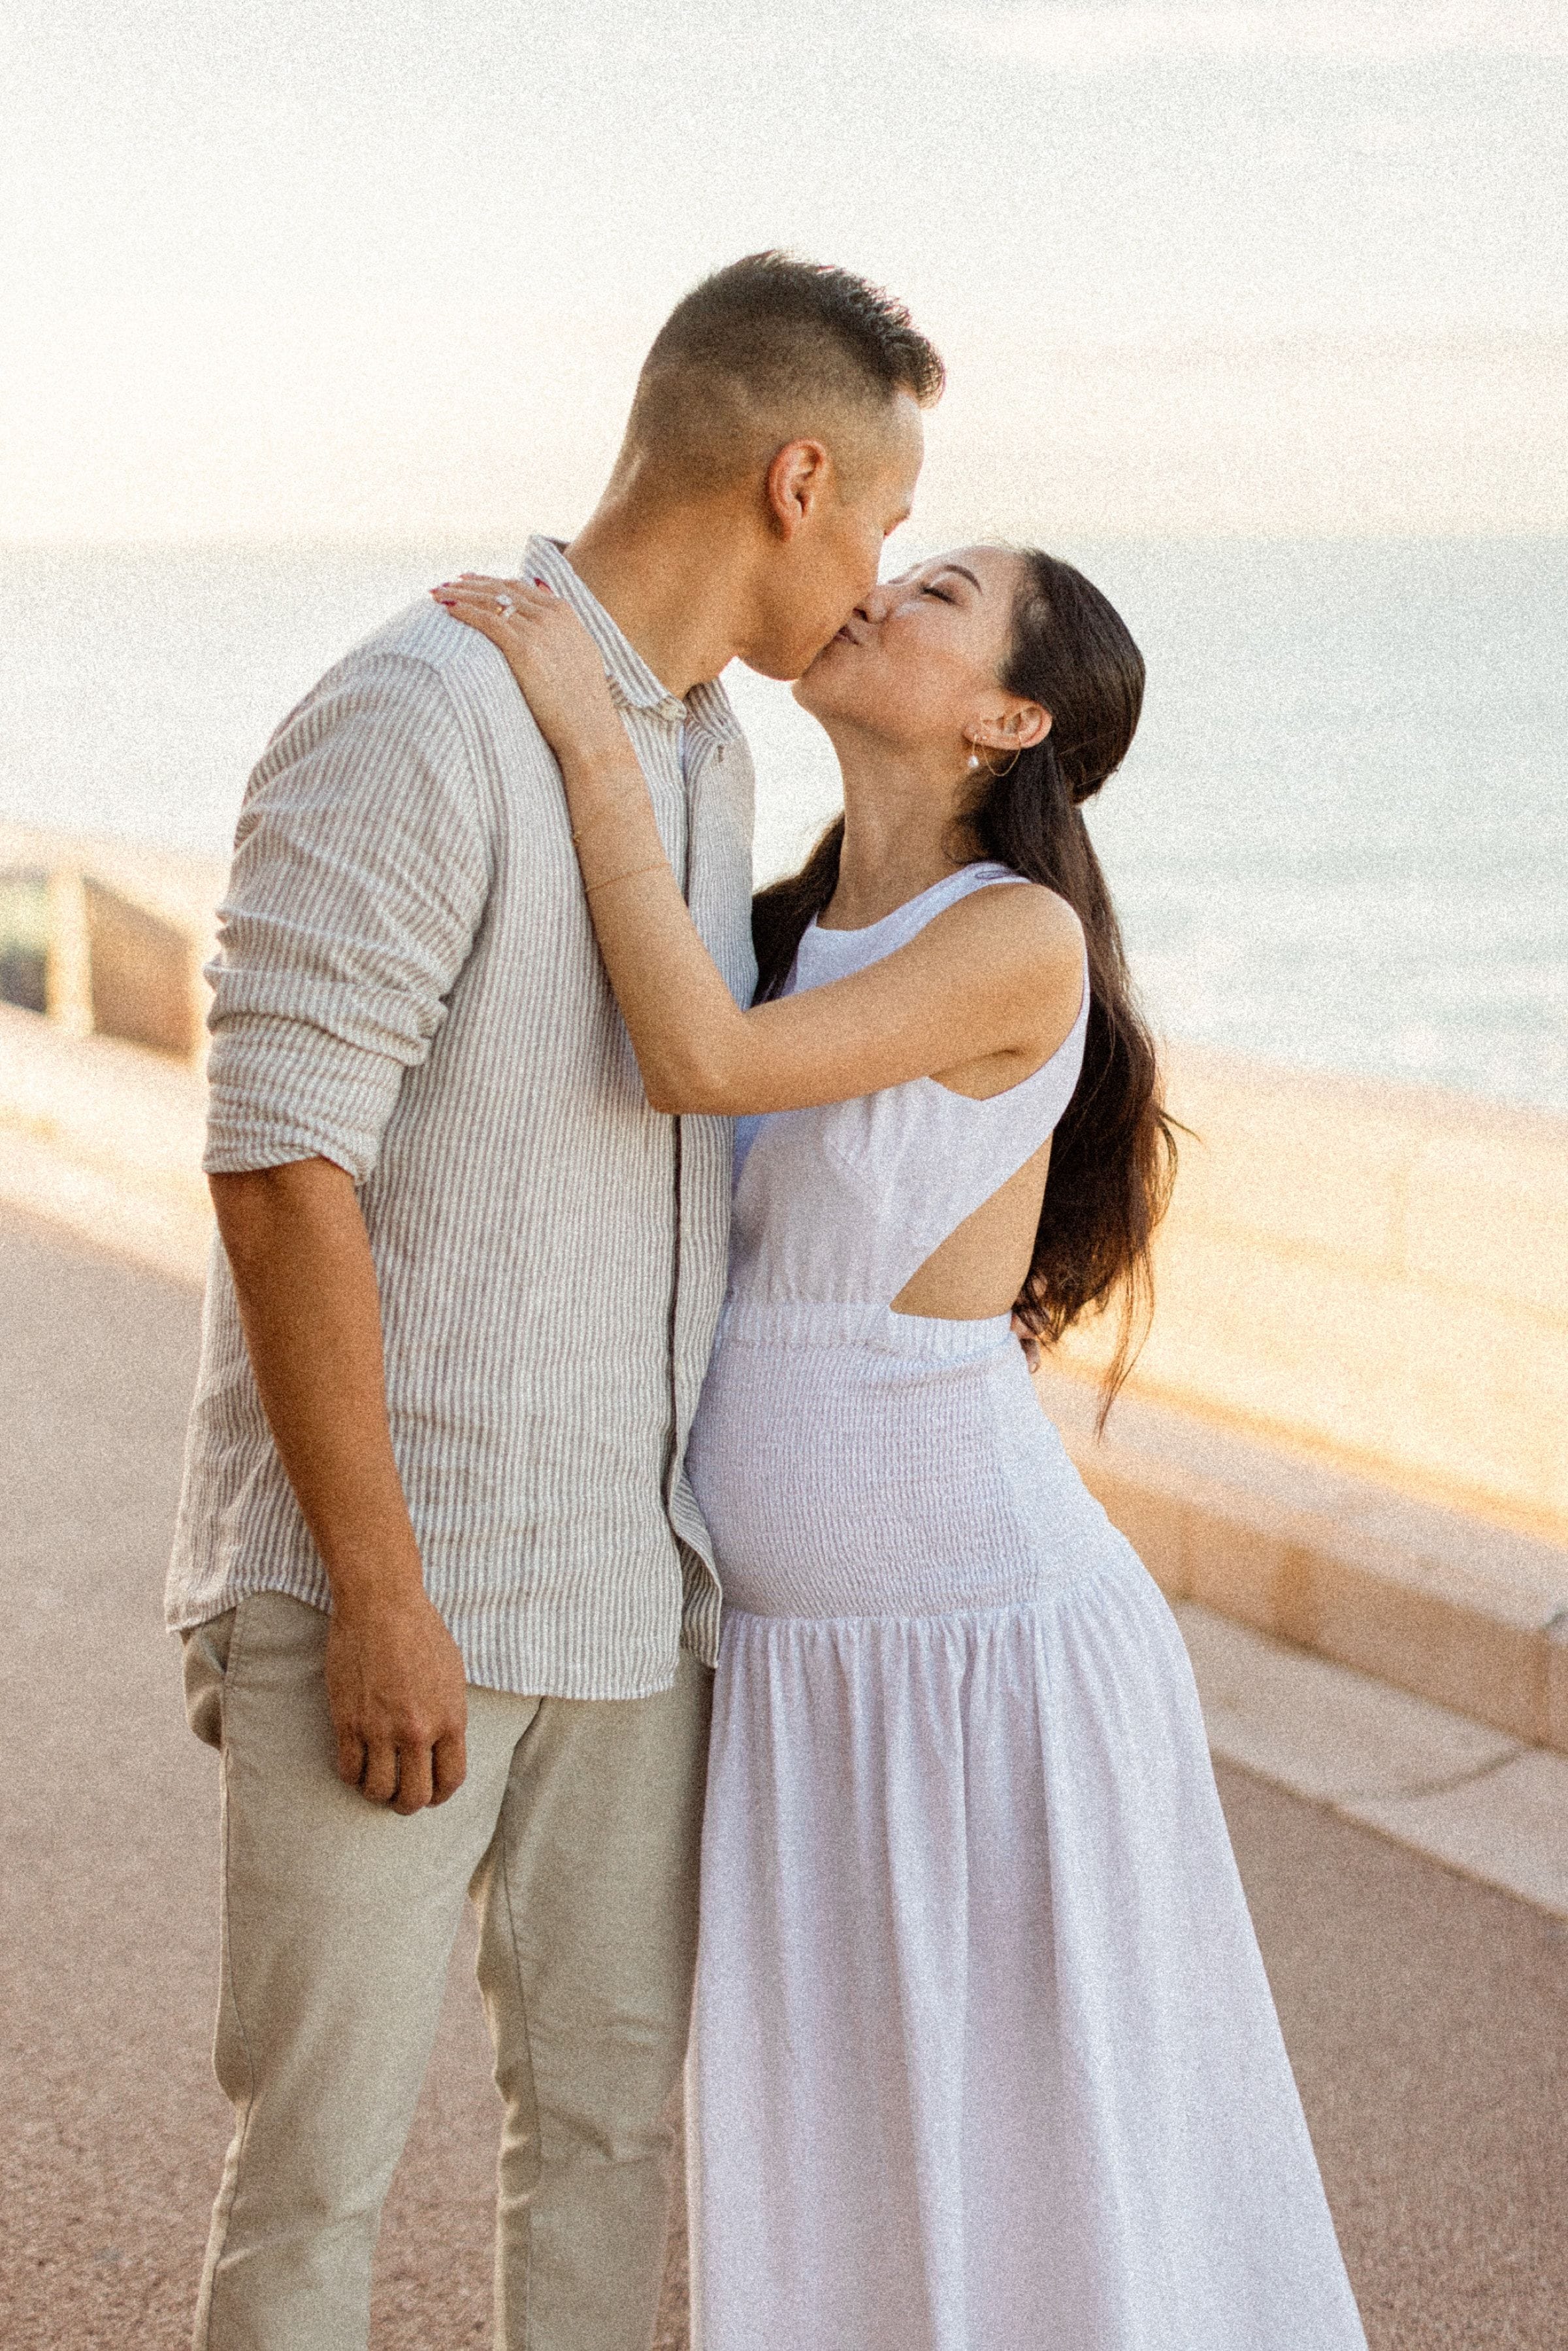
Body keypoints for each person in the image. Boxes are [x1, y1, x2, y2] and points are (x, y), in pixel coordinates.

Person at [438, 542, 1369, 2350]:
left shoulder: (1014, 938)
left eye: (936, 595)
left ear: (1008, 719)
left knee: (1048, 2152)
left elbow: (693, 1061)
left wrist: (586, 739)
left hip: (981, 1653)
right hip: (790, 1668)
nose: (877, 590)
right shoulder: (782, 923)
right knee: (844, 2153)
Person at [164, 252, 941, 2351]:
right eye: (882, 517)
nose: (884, 570)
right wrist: (383, 1591)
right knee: (315, 2186)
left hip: (634, 1603)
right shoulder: (415, 711)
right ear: (796, 478)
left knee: (604, 2148)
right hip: (397, 1592)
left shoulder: (704, 763)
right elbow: (275, 1160)